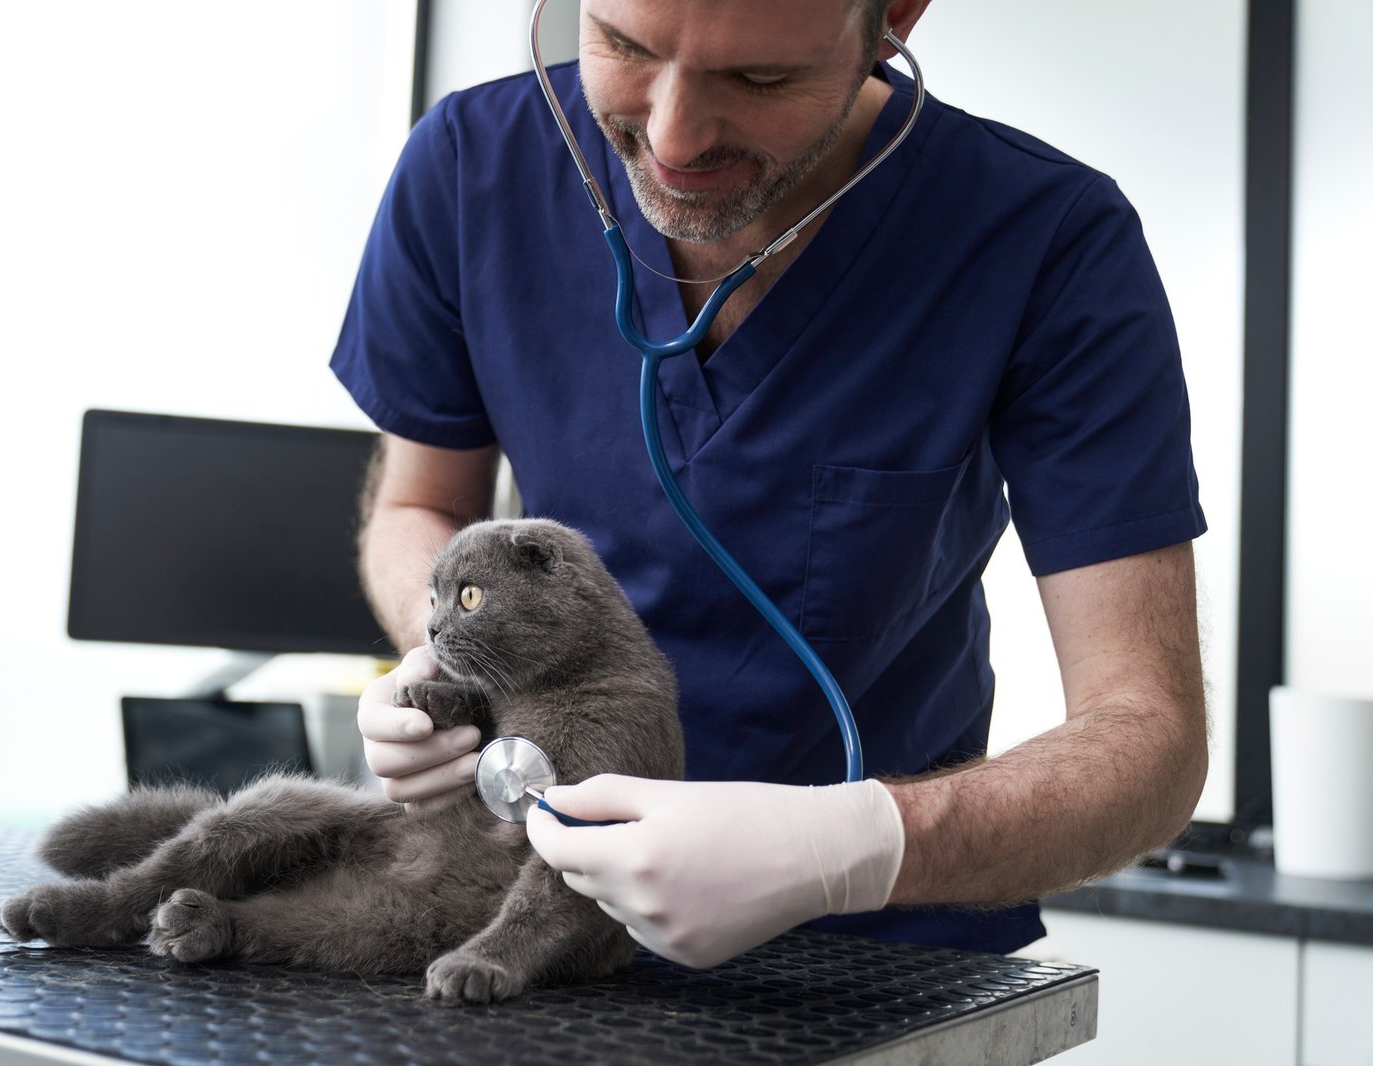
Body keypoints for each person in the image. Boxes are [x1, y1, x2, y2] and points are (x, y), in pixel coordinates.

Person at [332, 0, 1208, 968]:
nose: (671, 137)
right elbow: (416, 506)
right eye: (623, 46)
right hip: (518, 927)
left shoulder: (1044, 243)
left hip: (878, 955)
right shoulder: (470, 167)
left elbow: (1149, 738)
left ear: (893, 18)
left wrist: (851, 849)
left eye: (758, 79)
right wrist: (447, 661)